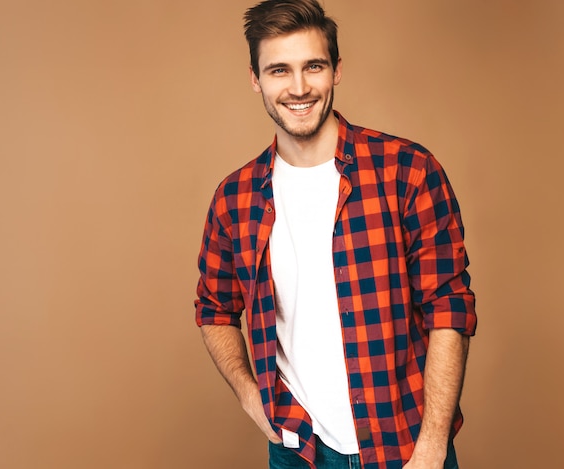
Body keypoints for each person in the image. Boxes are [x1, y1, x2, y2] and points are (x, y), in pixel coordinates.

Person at [194, 0, 477, 467]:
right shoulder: (234, 198)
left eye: (314, 66)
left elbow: (449, 308)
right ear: (255, 78)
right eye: (279, 70)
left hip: (405, 446)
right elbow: (213, 308)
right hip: (297, 450)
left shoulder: (407, 171)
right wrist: (250, 396)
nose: (299, 87)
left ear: (337, 71)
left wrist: (431, 446)